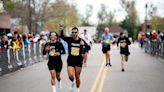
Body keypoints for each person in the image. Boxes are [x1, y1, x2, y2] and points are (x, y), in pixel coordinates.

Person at [60, 26, 86, 92]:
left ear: (78, 33)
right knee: (71, 76)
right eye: (73, 32)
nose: (74, 33)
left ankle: (77, 89)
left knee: (77, 76)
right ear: (71, 33)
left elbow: (88, 47)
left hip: (79, 60)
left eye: (75, 32)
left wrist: (83, 45)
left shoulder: (81, 40)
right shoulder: (69, 39)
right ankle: (73, 81)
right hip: (71, 60)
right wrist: (61, 30)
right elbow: (62, 36)